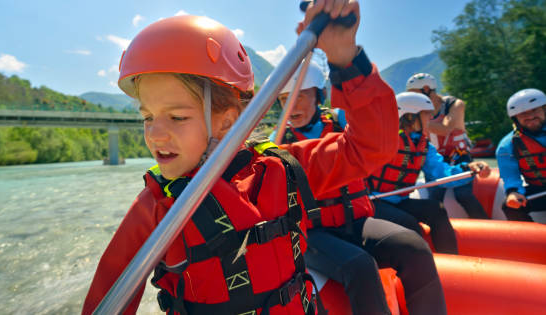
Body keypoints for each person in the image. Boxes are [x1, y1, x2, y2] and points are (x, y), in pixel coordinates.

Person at [82, 1, 399, 314]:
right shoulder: (155, 209)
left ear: (228, 121)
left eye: (177, 118)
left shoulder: (283, 170)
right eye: (148, 117)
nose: (155, 134)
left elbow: (373, 145)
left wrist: (345, 59)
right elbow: (107, 298)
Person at [271, 62, 447, 314]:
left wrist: (349, 65)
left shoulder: (341, 120)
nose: (292, 105)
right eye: (284, 99)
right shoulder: (275, 144)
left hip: (355, 221)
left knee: (414, 246)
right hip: (311, 234)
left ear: (319, 95)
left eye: (300, 95)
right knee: (360, 265)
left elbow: (372, 124)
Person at [369, 92, 491, 255]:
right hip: (372, 203)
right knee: (410, 224)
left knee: (437, 210)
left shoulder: (423, 145)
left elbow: (443, 174)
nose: (431, 120)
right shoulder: (380, 140)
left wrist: (469, 168)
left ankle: (450, 262)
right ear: (410, 117)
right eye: (427, 115)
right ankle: (426, 270)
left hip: (398, 201)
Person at [406, 73, 489, 219]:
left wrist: (411, 121)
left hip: (458, 155)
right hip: (434, 158)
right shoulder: (418, 112)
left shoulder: (455, 104)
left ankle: (488, 229)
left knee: (463, 195)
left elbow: (446, 129)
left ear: (426, 89)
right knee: (434, 197)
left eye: (415, 94)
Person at [496, 88, 546, 221]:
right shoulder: (507, 145)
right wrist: (514, 193)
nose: (530, 116)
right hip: (540, 191)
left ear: (544, 110)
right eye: (523, 114)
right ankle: (533, 241)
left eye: (534, 110)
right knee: (511, 206)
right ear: (515, 119)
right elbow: (511, 177)